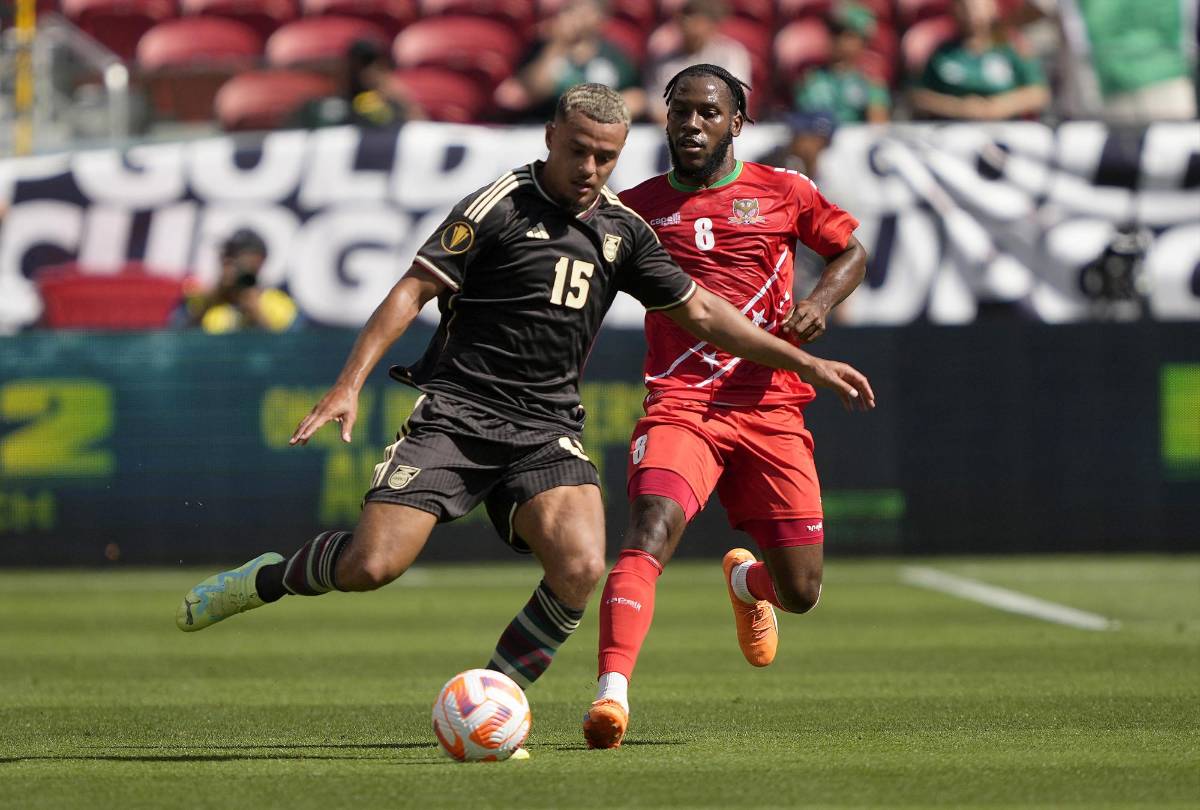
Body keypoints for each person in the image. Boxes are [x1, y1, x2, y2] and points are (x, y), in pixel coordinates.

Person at [175, 85, 875, 707]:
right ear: (550, 138)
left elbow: (704, 313)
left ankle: (494, 699)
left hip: (546, 429)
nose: (591, 170)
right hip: (457, 416)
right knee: (371, 566)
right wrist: (347, 385)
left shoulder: (622, 229)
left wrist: (801, 364)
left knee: (579, 567)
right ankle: (266, 580)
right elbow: (413, 289)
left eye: (606, 157)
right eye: (579, 152)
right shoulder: (499, 205)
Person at [581, 64, 871, 750]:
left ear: (736, 123)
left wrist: (820, 303)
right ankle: (610, 696)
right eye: (680, 111)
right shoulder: (633, 209)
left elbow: (851, 252)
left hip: (771, 404)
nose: (691, 124)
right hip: (682, 403)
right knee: (650, 528)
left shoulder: (784, 191)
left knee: (800, 592)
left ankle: (748, 583)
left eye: (708, 113)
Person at [495, 0, 646, 122]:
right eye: (570, 9)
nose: (575, 16)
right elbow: (529, 92)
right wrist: (557, 45)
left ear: (602, 17)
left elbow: (636, 98)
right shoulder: (541, 48)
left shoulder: (615, 57)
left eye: (584, 9)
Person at [910, 0, 1050, 121]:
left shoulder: (1011, 48)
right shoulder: (942, 53)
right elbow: (919, 97)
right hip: (953, 131)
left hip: (1007, 130)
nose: (971, 11)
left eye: (977, 5)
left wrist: (995, 108)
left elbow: (1038, 94)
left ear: (993, 8)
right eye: (964, 5)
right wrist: (960, 107)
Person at [643, 0, 753, 124]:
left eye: (698, 21)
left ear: (711, 24)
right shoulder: (665, 61)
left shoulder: (731, 55)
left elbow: (735, 99)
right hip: (672, 131)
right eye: (686, 19)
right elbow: (655, 102)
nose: (690, 26)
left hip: (722, 130)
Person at [183, 229, 298, 334]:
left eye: (234, 255)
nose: (227, 261)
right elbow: (180, 337)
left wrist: (255, 313)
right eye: (225, 254)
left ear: (258, 261)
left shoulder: (278, 304)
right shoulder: (202, 300)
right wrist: (212, 299)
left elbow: (283, 348)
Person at [792, 3, 891, 124]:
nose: (837, 39)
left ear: (863, 42)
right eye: (833, 32)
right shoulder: (811, 80)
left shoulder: (870, 85)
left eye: (847, 35)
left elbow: (877, 128)